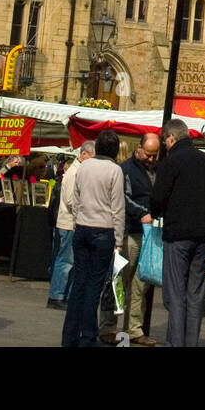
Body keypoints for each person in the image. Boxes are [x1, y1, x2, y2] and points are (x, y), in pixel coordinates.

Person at [149, 118, 205, 349]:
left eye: (165, 141)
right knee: (195, 294)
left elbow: (158, 198)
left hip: (178, 233)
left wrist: (158, 211)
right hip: (203, 235)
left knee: (175, 295)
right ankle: (191, 342)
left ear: (171, 137)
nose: (165, 145)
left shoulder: (171, 162)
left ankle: (176, 342)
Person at [61, 129, 125, 348]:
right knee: (93, 287)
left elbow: (76, 199)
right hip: (103, 230)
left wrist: (79, 219)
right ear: (115, 149)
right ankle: (88, 337)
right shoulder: (115, 170)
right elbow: (117, 207)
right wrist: (118, 239)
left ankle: (69, 336)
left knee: (79, 283)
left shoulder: (85, 166)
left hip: (82, 228)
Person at [119, 133, 160, 345]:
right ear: (139, 149)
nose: (152, 160)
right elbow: (123, 198)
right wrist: (142, 212)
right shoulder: (127, 169)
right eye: (148, 155)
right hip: (132, 232)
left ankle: (134, 330)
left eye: (155, 156)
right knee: (122, 283)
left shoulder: (159, 170)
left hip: (150, 234)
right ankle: (112, 328)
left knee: (140, 285)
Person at [48, 140, 94, 311]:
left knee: (69, 260)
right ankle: (57, 295)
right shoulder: (74, 173)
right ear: (83, 155)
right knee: (66, 260)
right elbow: (70, 200)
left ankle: (62, 294)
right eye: (92, 157)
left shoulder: (77, 171)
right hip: (69, 223)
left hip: (71, 223)